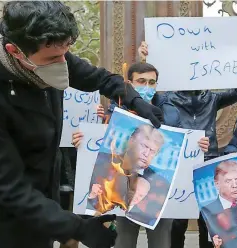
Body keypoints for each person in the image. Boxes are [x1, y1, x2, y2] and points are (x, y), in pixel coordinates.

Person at [0, 1, 166, 248]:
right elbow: (9, 188)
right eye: (54, 57)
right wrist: (77, 228)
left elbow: (99, 78)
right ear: (14, 51)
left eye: (66, 52)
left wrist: (134, 98)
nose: (63, 63)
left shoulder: (48, 50)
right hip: (3, 225)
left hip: (45, 209)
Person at [73, 62, 210, 248]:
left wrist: (198, 145)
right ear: (129, 84)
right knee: (123, 242)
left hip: (158, 194)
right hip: (121, 190)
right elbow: (101, 146)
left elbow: (183, 145)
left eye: (152, 82)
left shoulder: (170, 111)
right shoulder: (115, 111)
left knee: (160, 243)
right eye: (141, 81)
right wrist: (83, 140)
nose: (147, 86)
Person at [138, 40, 237, 248]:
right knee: (177, 224)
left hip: (207, 167)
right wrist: (146, 60)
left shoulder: (212, 98)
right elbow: (141, 93)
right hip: (176, 169)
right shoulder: (164, 99)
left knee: (208, 223)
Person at [86, 124, 166, 213]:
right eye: (144, 146)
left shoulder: (157, 183)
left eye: (152, 151)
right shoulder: (99, 161)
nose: (146, 154)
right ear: (131, 141)